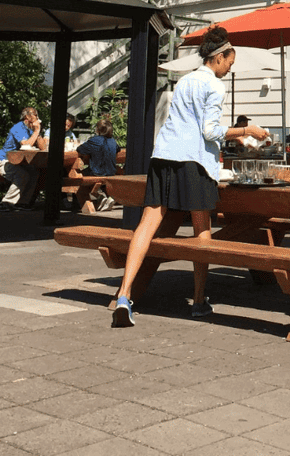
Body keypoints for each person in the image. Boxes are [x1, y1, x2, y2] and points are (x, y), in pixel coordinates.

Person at [111, 25, 268, 327]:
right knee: (201, 229)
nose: (228, 71)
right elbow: (209, 131)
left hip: (163, 155)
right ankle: (198, 299)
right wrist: (247, 130)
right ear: (219, 58)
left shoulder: (184, 81)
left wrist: (232, 136)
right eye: (229, 64)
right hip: (193, 162)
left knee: (146, 225)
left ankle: (124, 293)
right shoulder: (214, 85)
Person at [0, 107, 44, 211]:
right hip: (3, 161)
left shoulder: (31, 130)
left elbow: (43, 148)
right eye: (35, 115)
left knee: (34, 173)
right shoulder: (18, 128)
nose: (37, 118)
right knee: (22, 175)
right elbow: (26, 145)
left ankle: (22, 203)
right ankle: (6, 202)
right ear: (27, 117)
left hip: (19, 163)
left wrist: (37, 132)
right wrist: (36, 130)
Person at [77, 117, 120, 212]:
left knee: (76, 177)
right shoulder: (113, 141)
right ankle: (108, 198)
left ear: (98, 130)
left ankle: (99, 197)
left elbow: (80, 149)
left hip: (97, 172)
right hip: (111, 172)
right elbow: (118, 149)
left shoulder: (94, 140)